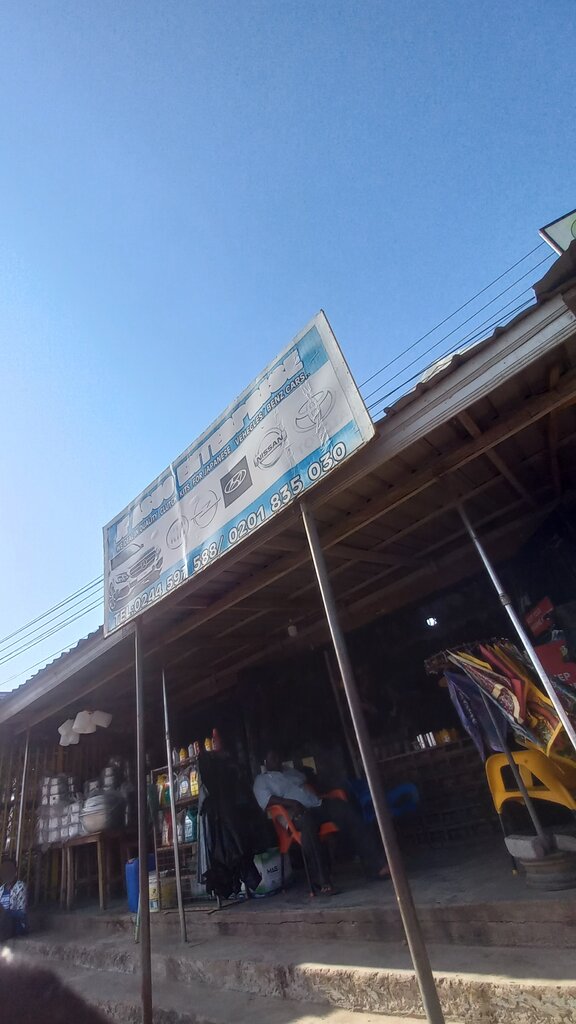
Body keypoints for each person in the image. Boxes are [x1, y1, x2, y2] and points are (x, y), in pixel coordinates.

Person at [253, 750, 389, 895]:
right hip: (295, 813)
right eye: (273, 758)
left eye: (278, 756)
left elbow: (306, 782)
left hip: (317, 804)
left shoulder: (290, 772)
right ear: (265, 762)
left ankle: (376, 865)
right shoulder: (262, 781)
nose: (277, 760)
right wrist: (292, 803)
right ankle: (322, 882)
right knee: (308, 827)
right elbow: (267, 800)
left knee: (347, 810)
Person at [0, 861, 28, 939]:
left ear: (15, 872)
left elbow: (22, 914)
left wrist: (5, 913)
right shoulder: (1, 889)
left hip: (16, 924)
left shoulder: (20, 887)